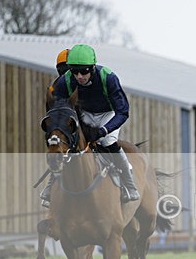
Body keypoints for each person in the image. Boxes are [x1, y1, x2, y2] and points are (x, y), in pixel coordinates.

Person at [40, 43, 140, 207]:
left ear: (93, 68)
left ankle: (130, 185)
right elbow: (58, 109)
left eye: (84, 71)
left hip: (108, 113)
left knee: (107, 141)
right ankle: (51, 186)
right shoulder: (65, 81)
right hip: (84, 113)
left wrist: (104, 130)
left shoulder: (108, 78)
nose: (79, 76)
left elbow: (123, 111)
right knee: (68, 145)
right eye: (75, 71)